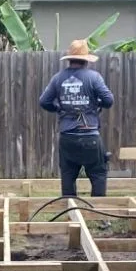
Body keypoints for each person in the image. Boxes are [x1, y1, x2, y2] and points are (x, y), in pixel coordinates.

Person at [39, 39, 114, 198]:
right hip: (90, 136)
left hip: (68, 137)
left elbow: (44, 101)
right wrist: (97, 103)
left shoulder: (58, 78)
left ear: (70, 59)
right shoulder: (94, 77)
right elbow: (109, 100)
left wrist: (58, 108)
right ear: (86, 60)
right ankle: (100, 216)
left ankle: (70, 212)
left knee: (68, 175)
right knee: (98, 174)